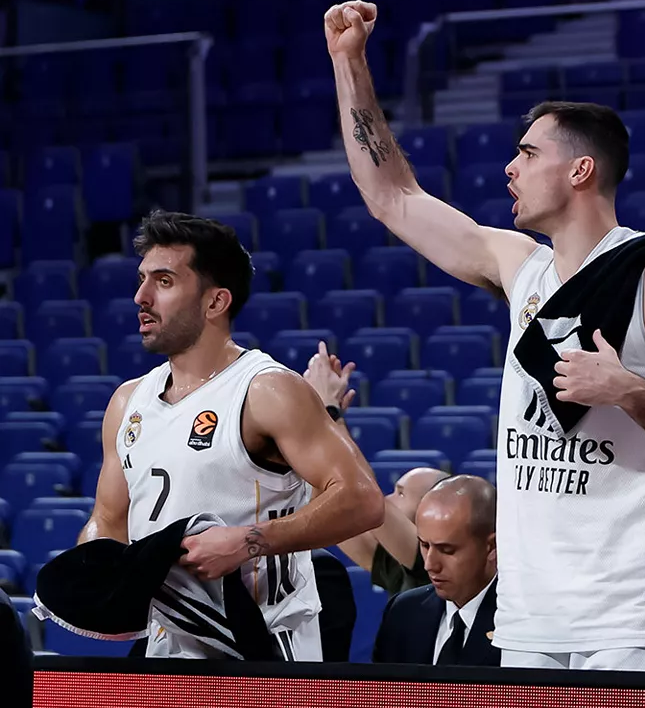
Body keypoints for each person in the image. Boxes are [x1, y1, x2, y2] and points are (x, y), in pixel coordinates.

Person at [324, 0, 645, 673]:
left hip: (630, 612)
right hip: (529, 612)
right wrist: (350, 63)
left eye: (528, 152)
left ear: (580, 170)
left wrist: (628, 391)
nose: (510, 167)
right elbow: (394, 198)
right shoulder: (519, 266)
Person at [80, 211, 385, 660]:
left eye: (163, 281)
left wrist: (249, 542)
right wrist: (90, 564)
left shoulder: (267, 389)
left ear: (215, 302)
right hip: (167, 644)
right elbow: (108, 520)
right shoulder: (128, 401)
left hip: (263, 646)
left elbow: (362, 499)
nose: (140, 297)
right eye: (142, 279)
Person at [303, 342, 446, 594]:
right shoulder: (395, 565)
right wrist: (317, 415)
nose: (388, 499)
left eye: (401, 493)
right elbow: (326, 498)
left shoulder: (430, 563)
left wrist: (329, 412)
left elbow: (364, 492)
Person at [373, 475, 500, 667]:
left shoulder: (522, 622)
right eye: (424, 545)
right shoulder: (402, 613)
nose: (429, 565)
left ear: (492, 546)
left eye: (447, 550)